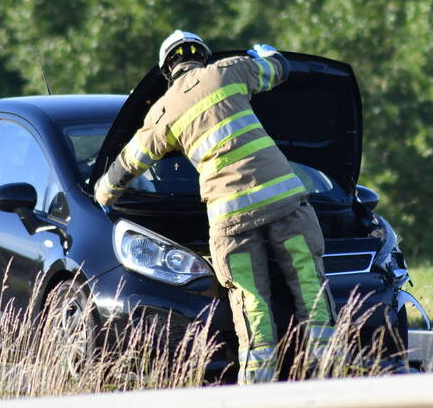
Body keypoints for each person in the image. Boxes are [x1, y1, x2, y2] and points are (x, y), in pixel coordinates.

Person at [94, 29, 335, 384]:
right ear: (202, 56)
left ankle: (258, 383)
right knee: (307, 278)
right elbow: (278, 69)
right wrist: (266, 55)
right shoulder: (228, 71)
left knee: (250, 296)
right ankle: (331, 367)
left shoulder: (162, 112)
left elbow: (129, 164)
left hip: (230, 216)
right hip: (283, 201)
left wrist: (101, 193)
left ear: (167, 70)